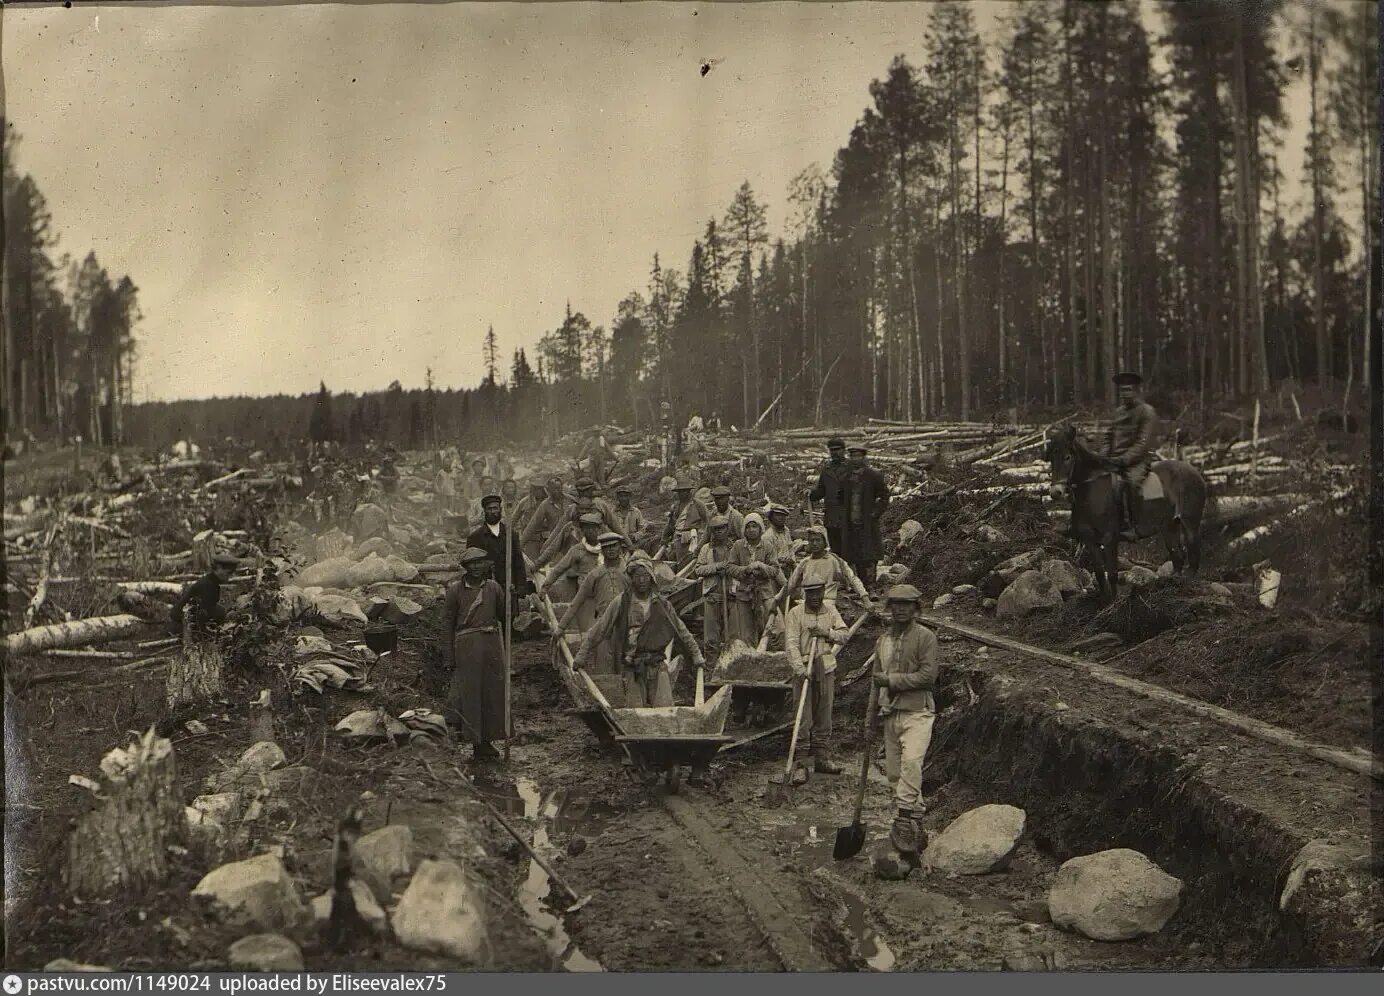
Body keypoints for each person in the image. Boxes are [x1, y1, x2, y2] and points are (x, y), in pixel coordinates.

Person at [575, 554, 706, 712]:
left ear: (652, 578)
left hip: (657, 664)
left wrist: (696, 654)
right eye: (637, 576)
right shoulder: (621, 603)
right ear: (631, 578)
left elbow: (682, 630)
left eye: (646, 576)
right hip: (633, 666)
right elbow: (599, 629)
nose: (642, 581)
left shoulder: (662, 604)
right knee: (635, 713)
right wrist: (582, 654)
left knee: (665, 711)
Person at [867, 584, 940, 864]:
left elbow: (928, 677)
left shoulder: (926, 638)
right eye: (895, 604)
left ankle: (904, 819)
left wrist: (893, 680)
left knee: (912, 762)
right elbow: (875, 681)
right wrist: (869, 720)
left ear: (916, 609)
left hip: (917, 712)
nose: (900, 609)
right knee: (896, 774)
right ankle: (917, 820)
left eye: (906, 605)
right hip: (890, 713)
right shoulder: (883, 641)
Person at [441, 547, 511, 762]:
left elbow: (505, 616)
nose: (476, 567)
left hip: (491, 646)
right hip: (466, 646)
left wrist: (512, 597)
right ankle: (475, 741)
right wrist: (448, 656)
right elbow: (447, 624)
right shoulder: (455, 591)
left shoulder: (494, 588)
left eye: (480, 562)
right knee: (470, 694)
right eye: (471, 563)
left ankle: (488, 740)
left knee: (491, 692)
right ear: (465, 567)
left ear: (485, 565)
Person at [784, 581, 850, 774]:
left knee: (824, 715)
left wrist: (826, 633)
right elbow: (791, 644)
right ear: (805, 593)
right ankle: (801, 763)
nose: (814, 597)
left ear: (823, 592)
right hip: (804, 669)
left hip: (826, 667)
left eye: (817, 592)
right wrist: (799, 669)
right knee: (803, 717)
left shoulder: (830, 610)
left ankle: (822, 758)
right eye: (810, 593)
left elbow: (844, 635)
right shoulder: (795, 613)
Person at [1105, 371, 1160, 541]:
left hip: (1137, 460)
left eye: (1128, 390)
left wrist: (1124, 460)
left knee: (1132, 483)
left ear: (1136, 391)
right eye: (1122, 391)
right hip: (1115, 460)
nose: (1125, 394)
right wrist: (1102, 456)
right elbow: (1108, 437)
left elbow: (1142, 444)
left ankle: (1135, 527)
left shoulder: (1147, 412)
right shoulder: (1117, 412)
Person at [557, 533, 630, 654]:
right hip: (603, 627)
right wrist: (561, 627)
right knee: (604, 665)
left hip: (627, 626)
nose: (611, 550)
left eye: (614, 546)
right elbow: (577, 601)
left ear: (620, 548)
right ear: (602, 550)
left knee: (627, 666)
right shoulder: (595, 575)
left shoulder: (629, 572)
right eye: (607, 547)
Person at [726, 513, 787, 647]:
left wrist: (762, 567)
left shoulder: (767, 546)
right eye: (748, 527)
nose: (752, 530)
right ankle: (751, 659)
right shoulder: (738, 546)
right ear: (744, 530)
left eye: (755, 526)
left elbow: (775, 569)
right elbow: (730, 567)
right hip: (744, 594)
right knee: (745, 634)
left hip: (765, 593)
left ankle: (774, 655)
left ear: (760, 529)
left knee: (778, 627)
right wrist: (745, 570)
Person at [778, 525, 872, 612]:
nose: (814, 544)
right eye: (812, 540)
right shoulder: (804, 563)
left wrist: (865, 599)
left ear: (824, 542)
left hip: (827, 605)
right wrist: (777, 599)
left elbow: (852, 579)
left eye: (818, 540)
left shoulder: (835, 560)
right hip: (806, 605)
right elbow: (790, 585)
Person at [465, 493, 533, 610]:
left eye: (495, 508)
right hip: (485, 586)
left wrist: (521, 587)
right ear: (484, 512)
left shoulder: (511, 535)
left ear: (500, 510)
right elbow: (469, 566)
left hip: (508, 586)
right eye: (489, 509)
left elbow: (518, 562)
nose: (492, 512)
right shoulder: (475, 537)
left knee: (509, 620)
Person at [841, 444, 891, 587]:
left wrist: (875, 513)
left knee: (870, 554)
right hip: (851, 522)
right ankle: (861, 586)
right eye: (852, 456)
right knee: (855, 555)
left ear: (864, 457)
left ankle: (871, 586)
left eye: (858, 456)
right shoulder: (846, 477)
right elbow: (839, 497)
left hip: (867, 522)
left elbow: (885, 495)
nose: (855, 459)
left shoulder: (873, 475)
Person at [694, 516, 737, 656]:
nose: (719, 532)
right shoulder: (706, 549)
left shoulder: (735, 548)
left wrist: (730, 569)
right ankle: (710, 669)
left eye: (722, 528)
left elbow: (742, 568)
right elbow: (698, 570)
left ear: (727, 529)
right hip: (712, 597)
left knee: (733, 637)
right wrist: (716, 567)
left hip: (732, 597)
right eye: (716, 529)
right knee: (711, 639)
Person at [538, 511, 605, 602]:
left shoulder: (607, 547)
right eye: (587, 528)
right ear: (582, 531)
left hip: (605, 592)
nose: (590, 531)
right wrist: (545, 588)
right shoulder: (577, 550)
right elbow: (558, 569)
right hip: (586, 595)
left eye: (593, 528)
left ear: (599, 529)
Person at [167, 552, 239, 636]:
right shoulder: (208, 585)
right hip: (183, 628)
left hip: (188, 623)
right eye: (229, 573)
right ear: (218, 568)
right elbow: (205, 614)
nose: (231, 576)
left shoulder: (210, 582)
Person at [808, 437, 850, 558]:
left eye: (837, 450)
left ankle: (851, 576)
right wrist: (811, 494)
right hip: (831, 518)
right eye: (832, 450)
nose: (834, 453)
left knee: (849, 552)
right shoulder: (826, 469)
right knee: (835, 551)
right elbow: (821, 490)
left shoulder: (851, 468)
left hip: (848, 518)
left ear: (844, 450)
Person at [519, 476, 567, 563]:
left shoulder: (570, 501)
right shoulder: (544, 505)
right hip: (539, 541)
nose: (556, 491)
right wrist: (519, 545)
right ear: (549, 490)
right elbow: (531, 526)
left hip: (565, 540)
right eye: (553, 489)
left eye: (558, 488)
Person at [664, 477, 710, 565]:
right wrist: (664, 538)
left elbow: (707, 521)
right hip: (679, 537)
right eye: (679, 492)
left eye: (683, 491)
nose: (681, 494)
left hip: (693, 537)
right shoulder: (676, 506)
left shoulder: (698, 504)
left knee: (693, 559)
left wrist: (704, 536)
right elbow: (671, 524)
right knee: (680, 562)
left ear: (688, 492)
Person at [610, 483, 648, 550]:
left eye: (626, 496)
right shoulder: (612, 512)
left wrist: (634, 536)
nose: (623, 498)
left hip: (633, 545)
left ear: (629, 497)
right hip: (616, 545)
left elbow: (642, 530)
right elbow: (608, 529)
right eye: (621, 496)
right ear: (617, 497)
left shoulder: (636, 512)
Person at [761, 503, 797, 571]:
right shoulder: (767, 536)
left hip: (789, 568)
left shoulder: (786, 531)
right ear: (771, 517)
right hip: (775, 571)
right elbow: (768, 560)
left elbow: (790, 548)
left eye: (783, 515)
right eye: (777, 515)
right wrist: (782, 561)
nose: (781, 518)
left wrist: (793, 562)